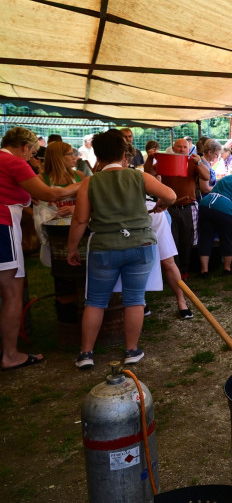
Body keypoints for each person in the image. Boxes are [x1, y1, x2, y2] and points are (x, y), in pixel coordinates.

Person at [69, 130, 176, 369]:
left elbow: (79, 220)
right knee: (135, 299)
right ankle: (131, 351)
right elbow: (170, 195)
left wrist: (72, 248)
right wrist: (161, 205)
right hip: (141, 245)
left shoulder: (90, 182)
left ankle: (86, 353)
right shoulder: (138, 177)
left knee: (95, 301)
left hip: (104, 247)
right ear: (123, 154)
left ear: (98, 155)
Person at [1, 127, 82, 370]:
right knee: (12, 293)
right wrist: (85, 184)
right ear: (24, 147)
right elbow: (49, 193)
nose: (32, 159)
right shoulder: (14, 161)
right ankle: (10, 354)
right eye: (32, 152)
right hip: (3, 226)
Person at [144, 138, 210, 279]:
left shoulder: (193, 163)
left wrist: (199, 162)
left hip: (187, 207)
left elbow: (206, 176)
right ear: (173, 148)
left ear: (188, 149)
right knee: (171, 241)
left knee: (186, 241)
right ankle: (174, 274)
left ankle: (183, 271)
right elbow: (149, 174)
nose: (181, 149)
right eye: (178, 147)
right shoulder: (165, 161)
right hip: (168, 208)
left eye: (184, 147)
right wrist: (150, 159)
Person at [33, 142, 87, 265]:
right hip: (55, 233)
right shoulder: (41, 179)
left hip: (79, 230)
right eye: (70, 154)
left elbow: (90, 201)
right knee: (60, 265)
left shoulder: (79, 176)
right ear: (58, 157)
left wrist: (75, 208)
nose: (75, 157)